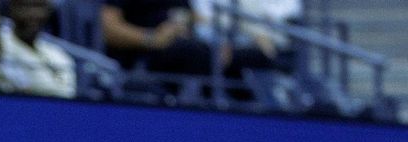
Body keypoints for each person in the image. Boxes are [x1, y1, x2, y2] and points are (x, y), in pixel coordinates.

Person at [101, 0, 277, 86]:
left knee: (258, 55)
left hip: (191, 47)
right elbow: (107, 27)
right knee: (198, 53)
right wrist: (151, 38)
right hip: (143, 55)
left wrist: (249, 36)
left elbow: (196, 20)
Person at [1, 0, 78, 97]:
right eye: (26, 6)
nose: (33, 14)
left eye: (39, 6)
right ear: (12, 8)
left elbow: (67, 94)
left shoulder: (59, 55)